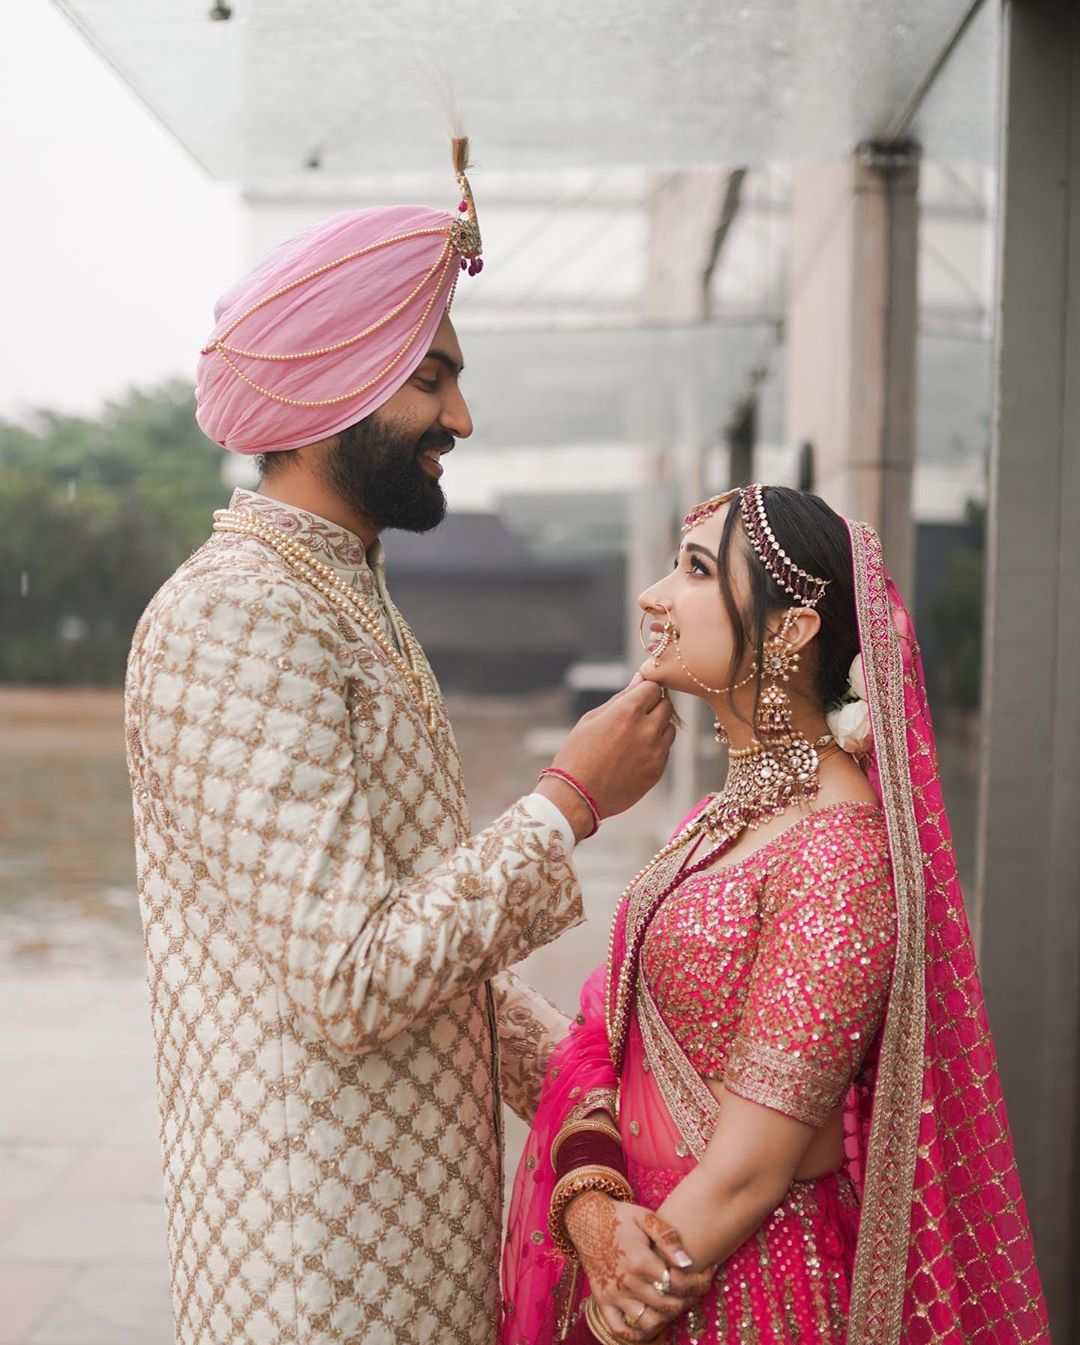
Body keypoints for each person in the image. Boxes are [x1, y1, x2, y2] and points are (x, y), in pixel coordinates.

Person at [124, 141, 688, 1345]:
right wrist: (568, 802)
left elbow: (432, 961)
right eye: (431, 380)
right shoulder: (237, 610)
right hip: (314, 1263)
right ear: (338, 384)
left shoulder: (345, 597)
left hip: (418, 1235)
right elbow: (350, 974)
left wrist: (598, 1126)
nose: (461, 418)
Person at [502, 484, 1050, 1345]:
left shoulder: (837, 855)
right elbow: (609, 1035)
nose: (653, 596)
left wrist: (616, 1309)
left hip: (734, 1289)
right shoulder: (729, 819)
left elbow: (751, 1172)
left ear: (791, 630)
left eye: (693, 571)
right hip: (651, 1254)